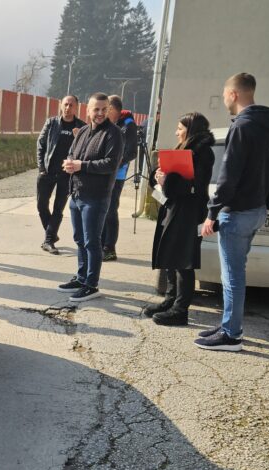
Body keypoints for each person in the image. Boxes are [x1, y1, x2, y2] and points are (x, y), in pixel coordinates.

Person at [196, 72, 269, 351]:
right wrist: (267, 201)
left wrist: (212, 213)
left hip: (237, 213)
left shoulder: (242, 126)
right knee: (235, 273)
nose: (224, 99)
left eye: (225, 94)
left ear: (233, 94)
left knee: (232, 276)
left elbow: (229, 174)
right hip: (256, 210)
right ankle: (228, 324)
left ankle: (231, 335)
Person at [144, 112, 215, 326]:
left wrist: (168, 181)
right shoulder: (182, 148)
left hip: (190, 213)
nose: (176, 132)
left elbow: (196, 187)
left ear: (191, 130)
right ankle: (170, 299)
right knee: (170, 255)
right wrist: (158, 176)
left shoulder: (203, 153)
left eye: (180, 128)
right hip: (174, 208)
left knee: (184, 259)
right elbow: (167, 176)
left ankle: (180, 309)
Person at [57, 92, 123, 302]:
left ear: (109, 110)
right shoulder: (84, 131)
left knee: (92, 242)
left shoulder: (114, 134)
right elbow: (73, 153)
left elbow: (110, 164)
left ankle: (91, 284)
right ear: (88, 110)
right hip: (77, 193)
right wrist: (69, 162)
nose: (100, 113)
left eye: (104, 109)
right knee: (79, 239)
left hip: (96, 196)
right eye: (96, 109)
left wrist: (81, 166)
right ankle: (81, 277)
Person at [35, 95, 85, 255]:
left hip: (67, 174)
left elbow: (84, 151)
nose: (68, 108)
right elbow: (41, 145)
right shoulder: (51, 123)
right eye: (66, 104)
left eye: (71, 105)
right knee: (41, 205)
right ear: (61, 105)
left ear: (76, 107)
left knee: (58, 208)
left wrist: (79, 137)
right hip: (47, 171)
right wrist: (41, 167)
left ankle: (48, 240)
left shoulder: (81, 127)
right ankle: (51, 233)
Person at [102, 94, 138, 261]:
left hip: (117, 175)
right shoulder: (108, 123)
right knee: (102, 209)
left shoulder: (129, 125)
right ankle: (101, 244)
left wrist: (114, 163)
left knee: (110, 210)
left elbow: (132, 152)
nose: (102, 112)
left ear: (112, 108)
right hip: (104, 173)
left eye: (105, 108)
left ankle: (110, 248)